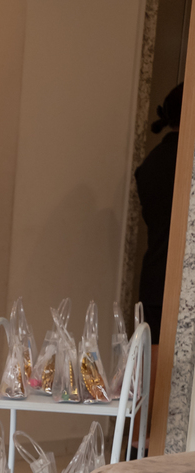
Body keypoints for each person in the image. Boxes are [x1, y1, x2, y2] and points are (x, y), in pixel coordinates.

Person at [136, 82, 182, 411]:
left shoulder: (151, 164)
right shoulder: (186, 159)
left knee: (151, 359)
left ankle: (142, 433)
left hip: (155, 273)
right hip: (183, 274)